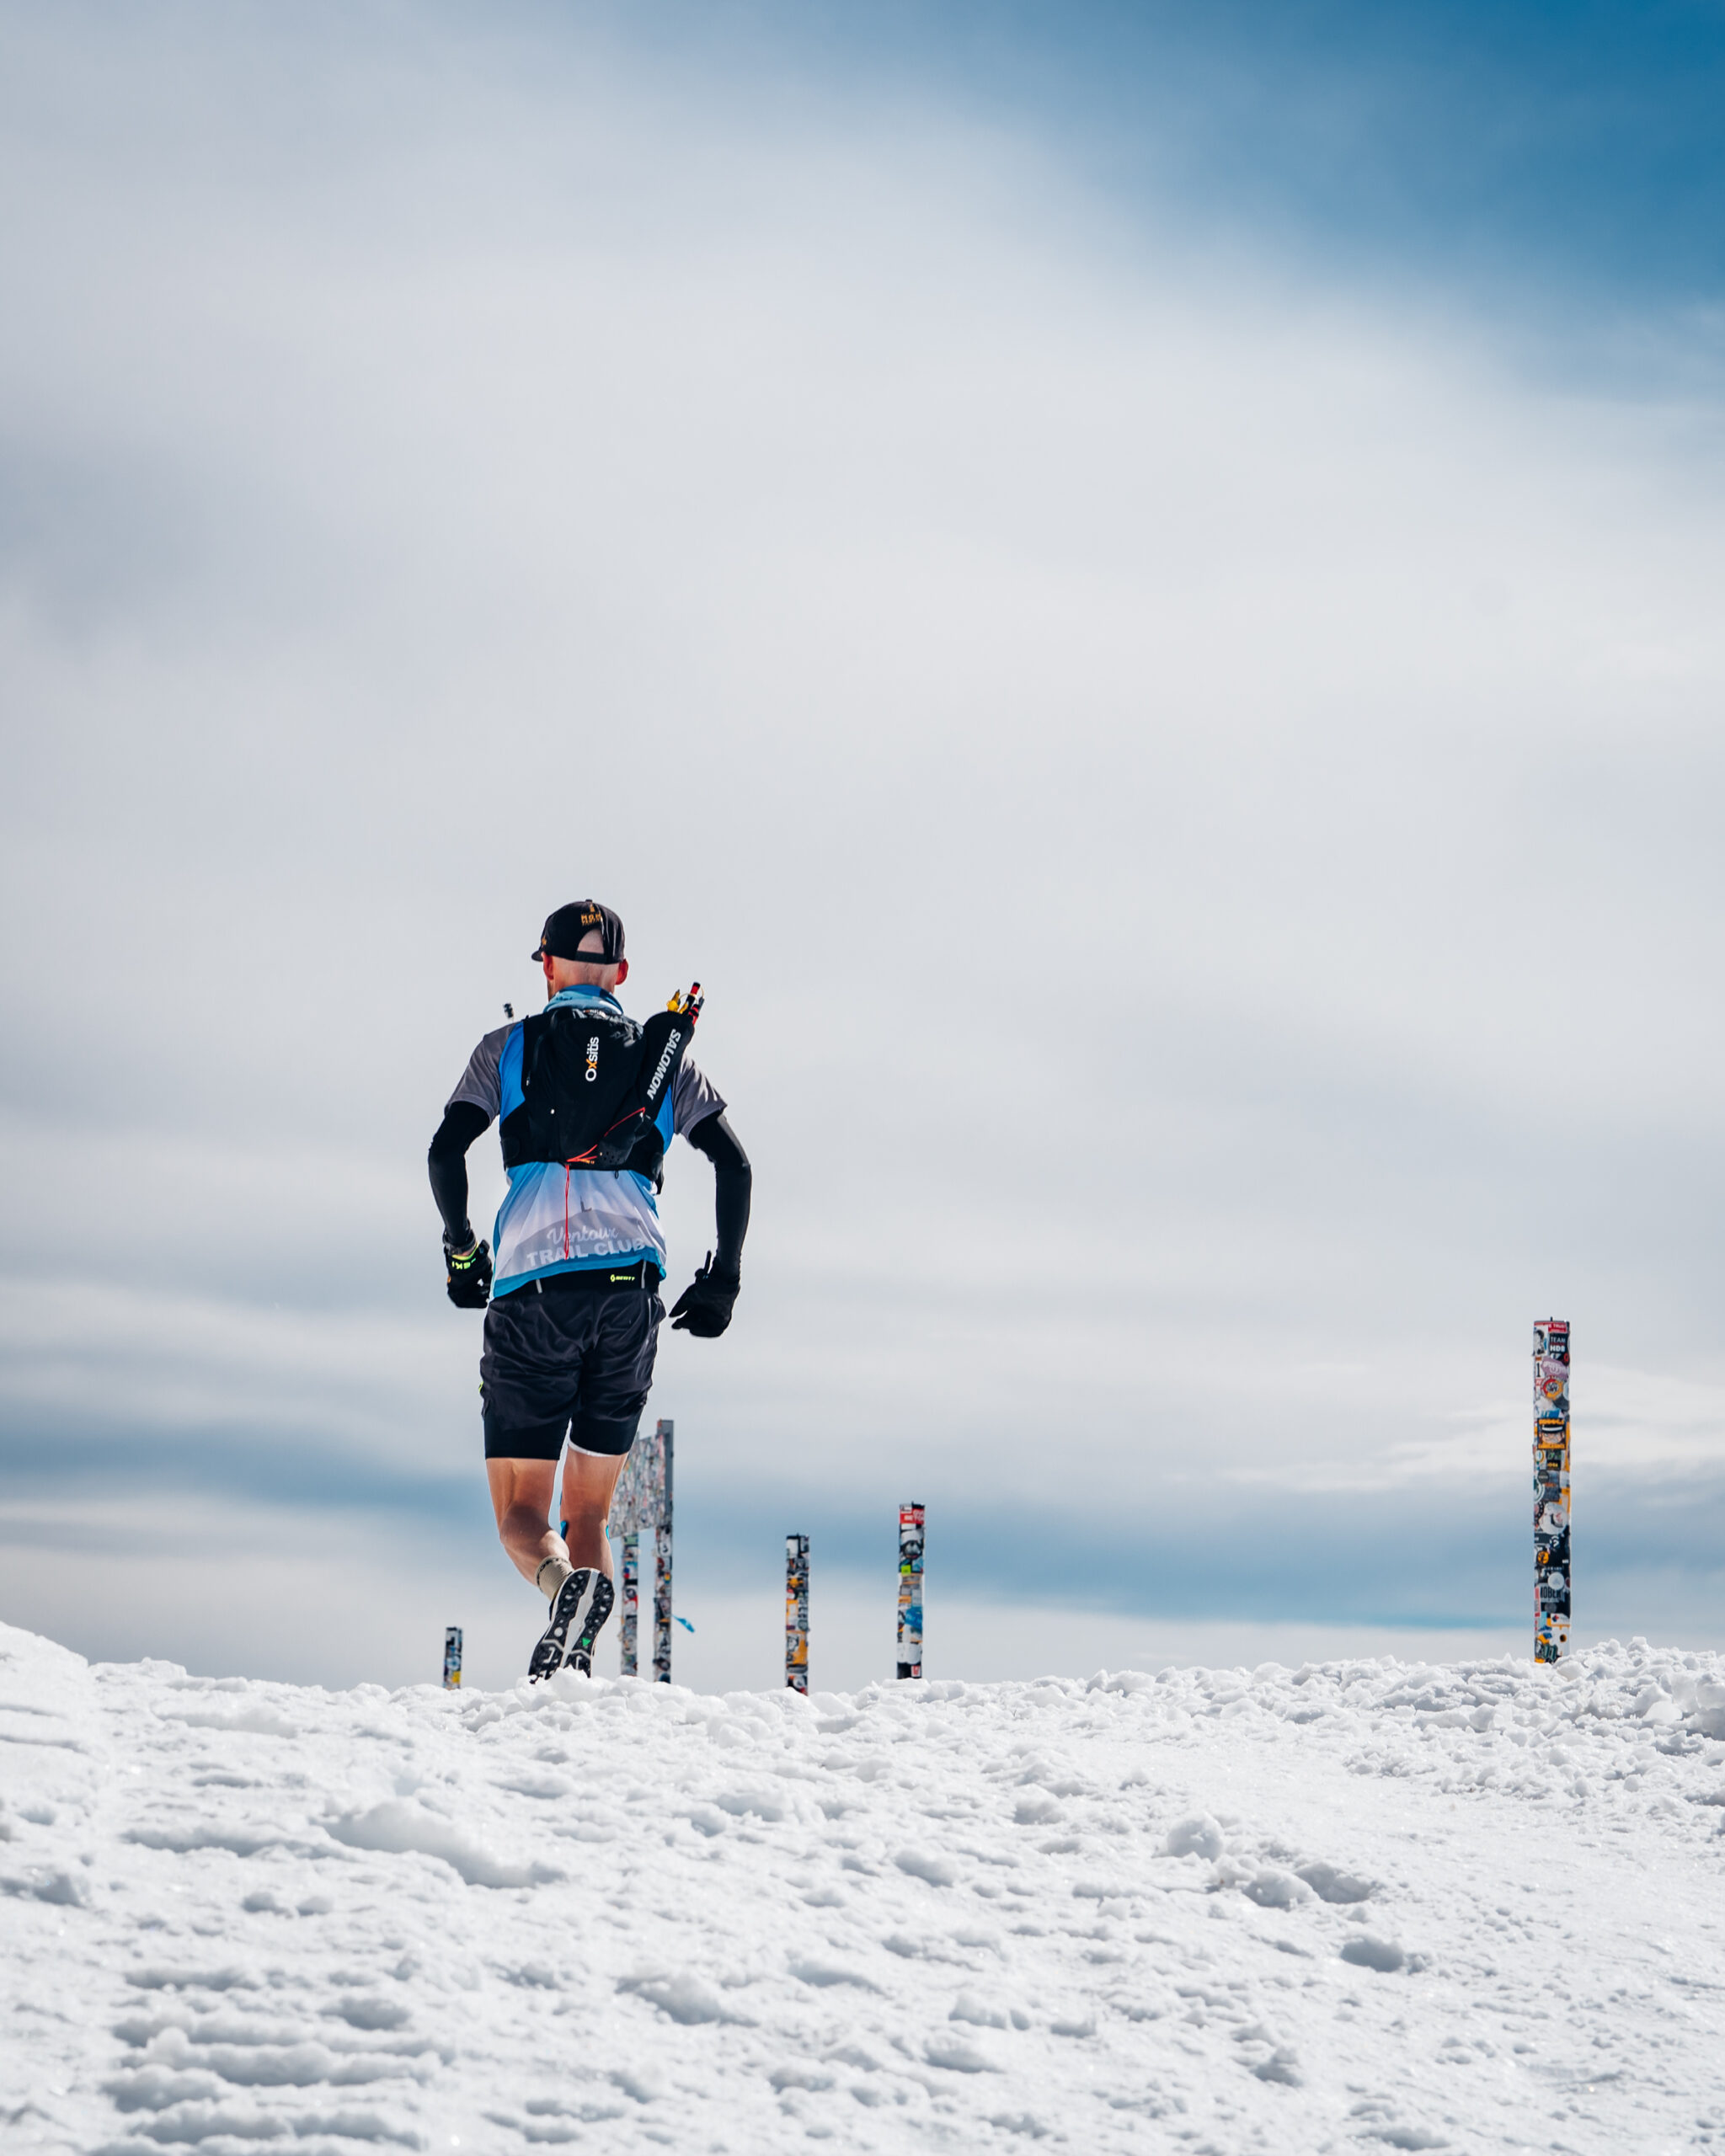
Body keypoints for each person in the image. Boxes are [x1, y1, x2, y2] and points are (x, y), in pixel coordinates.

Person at [427, 900, 751, 1680]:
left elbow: (446, 1150)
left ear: (545, 967)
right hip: (632, 1292)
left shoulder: (506, 1047)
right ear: (623, 976)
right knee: (592, 1511)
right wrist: (723, 1282)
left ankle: (562, 1588)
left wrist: (463, 1250)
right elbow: (734, 1165)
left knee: (522, 1515)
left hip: (535, 1293)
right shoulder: (666, 1059)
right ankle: (574, 1670)